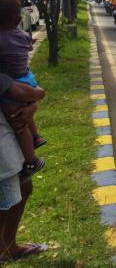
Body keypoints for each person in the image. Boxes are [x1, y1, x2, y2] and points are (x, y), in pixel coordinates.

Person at [0, 72, 47, 263]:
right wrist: (38, 96)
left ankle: (8, 247)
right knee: (6, 203)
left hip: (8, 133)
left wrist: (32, 103)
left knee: (24, 187)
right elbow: (18, 90)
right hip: (4, 143)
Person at [0, 0, 46, 177]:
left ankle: (31, 161)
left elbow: (19, 92)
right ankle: (36, 136)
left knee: (19, 124)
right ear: (19, 18)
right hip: (28, 78)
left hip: (15, 84)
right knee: (27, 114)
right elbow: (29, 45)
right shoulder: (22, 35)